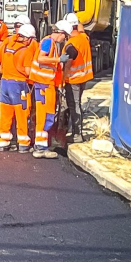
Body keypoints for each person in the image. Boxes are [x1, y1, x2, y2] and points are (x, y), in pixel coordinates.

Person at [29, 19, 73, 158]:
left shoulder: (52, 44)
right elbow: (41, 59)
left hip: (46, 84)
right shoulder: (48, 42)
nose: (64, 39)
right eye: (65, 36)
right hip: (43, 84)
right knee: (44, 116)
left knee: (46, 116)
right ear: (60, 33)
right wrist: (58, 60)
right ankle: (40, 148)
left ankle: (40, 145)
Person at [0, 23, 36, 153]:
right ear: (27, 38)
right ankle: (23, 144)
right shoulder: (26, 51)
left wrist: (6, 72)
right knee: (22, 113)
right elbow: (28, 72)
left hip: (5, 83)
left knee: (5, 115)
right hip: (19, 85)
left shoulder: (7, 45)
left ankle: (4, 143)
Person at [62, 14, 93, 143]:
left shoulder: (71, 44)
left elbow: (68, 63)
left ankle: (77, 135)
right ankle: (75, 132)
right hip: (84, 77)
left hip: (73, 79)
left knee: (74, 106)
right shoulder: (84, 38)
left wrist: (63, 78)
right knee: (76, 104)